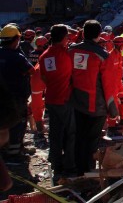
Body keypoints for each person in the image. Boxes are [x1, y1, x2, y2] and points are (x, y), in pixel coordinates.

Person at [69, 20, 119, 175]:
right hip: (95, 106)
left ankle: (76, 167)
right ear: (99, 35)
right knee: (92, 140)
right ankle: (87, 170)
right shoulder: (103, 56)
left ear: (83, 33)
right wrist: (113, 109)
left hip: (75, 102)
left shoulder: (71, 51)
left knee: (78, 137)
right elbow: (108, 85)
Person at [39, 25, 75, 184]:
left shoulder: (44, 56)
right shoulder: (66, 55)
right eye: (67, 36)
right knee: (70, 134)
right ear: (63, 38)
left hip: (51, 99)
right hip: (65, 100)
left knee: (55, 134)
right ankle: (68, 166)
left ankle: (56, 164)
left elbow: (45, 79)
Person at [0, 24, 34, 159]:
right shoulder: (18, 57)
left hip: (1, 97)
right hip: (16, 97)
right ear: (15, 40)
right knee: (17, 123)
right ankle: (14, 152)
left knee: (3, 122)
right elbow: (32, 71)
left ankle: (4, 147)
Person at [107, 37, 123, 128]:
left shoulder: (120, 53)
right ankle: (111, 125)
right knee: (114, 102)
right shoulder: (110, 55)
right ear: (120, 45)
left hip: (118, 81)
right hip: (112, 82)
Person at [29, 36, 49, 134]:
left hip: (34, 79)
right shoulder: (45, 54)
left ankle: (38, 125)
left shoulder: (32, 53)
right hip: (42, 78)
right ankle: (39, 126)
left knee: (36, 102)